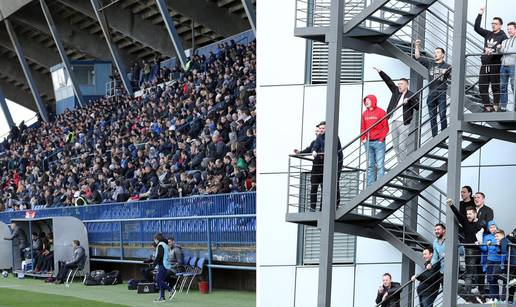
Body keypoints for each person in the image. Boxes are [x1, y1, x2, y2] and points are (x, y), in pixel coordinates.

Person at [373, 67, 419, 161]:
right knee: (395, 146)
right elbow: (388, 81)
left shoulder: (411, 95)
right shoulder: (396, 92)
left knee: (402, 146)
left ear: (406, 85)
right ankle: (401, 165)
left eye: (401, 84)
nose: (399, 86)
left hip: (404, 123)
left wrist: (410, 101)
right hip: (394, 122)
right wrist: (380, 72)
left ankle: (402, 166)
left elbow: (417, 107)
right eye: (398, 84)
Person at [447, 200, 484, 302]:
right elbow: (458, 215)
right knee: (469, 274)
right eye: (467, 214)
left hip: (480, 251)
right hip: (470, 250)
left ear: (475, 213)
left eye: (470, 214)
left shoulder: (480, 224)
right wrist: (451, 205)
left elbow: (482, 232)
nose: (468, 215)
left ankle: (480, 295)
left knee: (479, 273)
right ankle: (469, 296)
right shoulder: (466, 222)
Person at [414, 40, 451, 137]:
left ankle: (444, 134)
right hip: (431, 93)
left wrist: (445, 72)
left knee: (442, 114)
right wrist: (417, 46)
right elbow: (417, 57)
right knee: (432, 117)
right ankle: (435, 136)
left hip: (441, 92)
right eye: (435, 52)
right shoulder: (430, 63)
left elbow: (449, 71)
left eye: (438, 52)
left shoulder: (447, 66)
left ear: (443, 55)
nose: (435, 54)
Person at [474, 6, 508, 112]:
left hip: (495, 65)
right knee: (482, 86)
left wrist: (493, 51)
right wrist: (480, 14)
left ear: (500, 25)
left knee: (495, 87)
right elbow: (477, 28)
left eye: (495, 24)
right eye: (492, 23)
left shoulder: (503, 37)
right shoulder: (488, 34)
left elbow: (503, 51)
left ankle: (496, 107)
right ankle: (487, 106)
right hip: (484, 65)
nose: (493, 25)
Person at [310, 121, 343, 208]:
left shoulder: (334, 137)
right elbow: (315, 146)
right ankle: (314, 208)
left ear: (327, 129)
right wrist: (314, 150)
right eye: (320, 128)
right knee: (315, 188)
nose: (321, 130)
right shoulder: (319, 137)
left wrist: (339, 166)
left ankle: (335, 204)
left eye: (323, 128)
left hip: (334, 164)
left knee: (335, 184)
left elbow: (338, 153)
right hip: (321, 165)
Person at [361, 95, 389, 186]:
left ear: (373, 100)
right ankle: (370, 186)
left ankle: (380, 185)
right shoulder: (364, 113)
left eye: (368, 100)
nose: (366, 102)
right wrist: (363, 139)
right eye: (365, 100)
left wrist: (381, 139)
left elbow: (385, 127)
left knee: (380, 165)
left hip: (379, 142)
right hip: (368, 142)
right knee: (370, 165)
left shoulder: (381, 112)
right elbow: (362, 128)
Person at [294, 124, 323, 211]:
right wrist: (300, 152)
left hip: (325, 168)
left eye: (318, 131)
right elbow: (308, 149)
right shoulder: (314, 142)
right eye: (316, 131)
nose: (316, 133)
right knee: (313, 188)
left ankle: (322, 209)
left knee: (324, 190)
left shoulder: (326, 141)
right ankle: (312, 208)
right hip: (315, 168)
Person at [479, 222, 508, 303]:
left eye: (493, 227)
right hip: (490, 260)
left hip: (499, 260)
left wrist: (494, 244)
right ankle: (494, 298)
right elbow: (484, 249)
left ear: (496, 227)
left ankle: (503, 298)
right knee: (491, 279)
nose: (492, 229)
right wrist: (481, 245)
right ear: (488, 229)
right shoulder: (487, 237)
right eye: (490, 227)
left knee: (498, 277)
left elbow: (503, 247)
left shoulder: (500, 236)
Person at [497, 21, 516, 112]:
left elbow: (512, 50)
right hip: (503, 66)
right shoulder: (505, 41)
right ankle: (503, 107)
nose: (508, 31)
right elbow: (499, 52)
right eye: (507, 29)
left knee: (514, 87)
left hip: (513, 66)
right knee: (502, 87)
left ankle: (515, 108)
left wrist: (501, 48)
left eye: (510, 29)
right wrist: (498, 48)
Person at [152, 233, 174, 302]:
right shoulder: (164, 244)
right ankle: (162, 297)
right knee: (161, 280)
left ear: (157, 239)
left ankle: (171, 290)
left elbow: (159, 256)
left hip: (163, 265)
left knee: (158, 279)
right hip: (165, 265)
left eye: (155, 239)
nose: (154, 241)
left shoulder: (161, 245)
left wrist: (154, 264)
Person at [506, 228, 516, 304]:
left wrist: (512, 238)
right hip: (514, 260)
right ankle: (510, 298)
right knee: (512, 280)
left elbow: (511, 238)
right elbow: (507, 237)